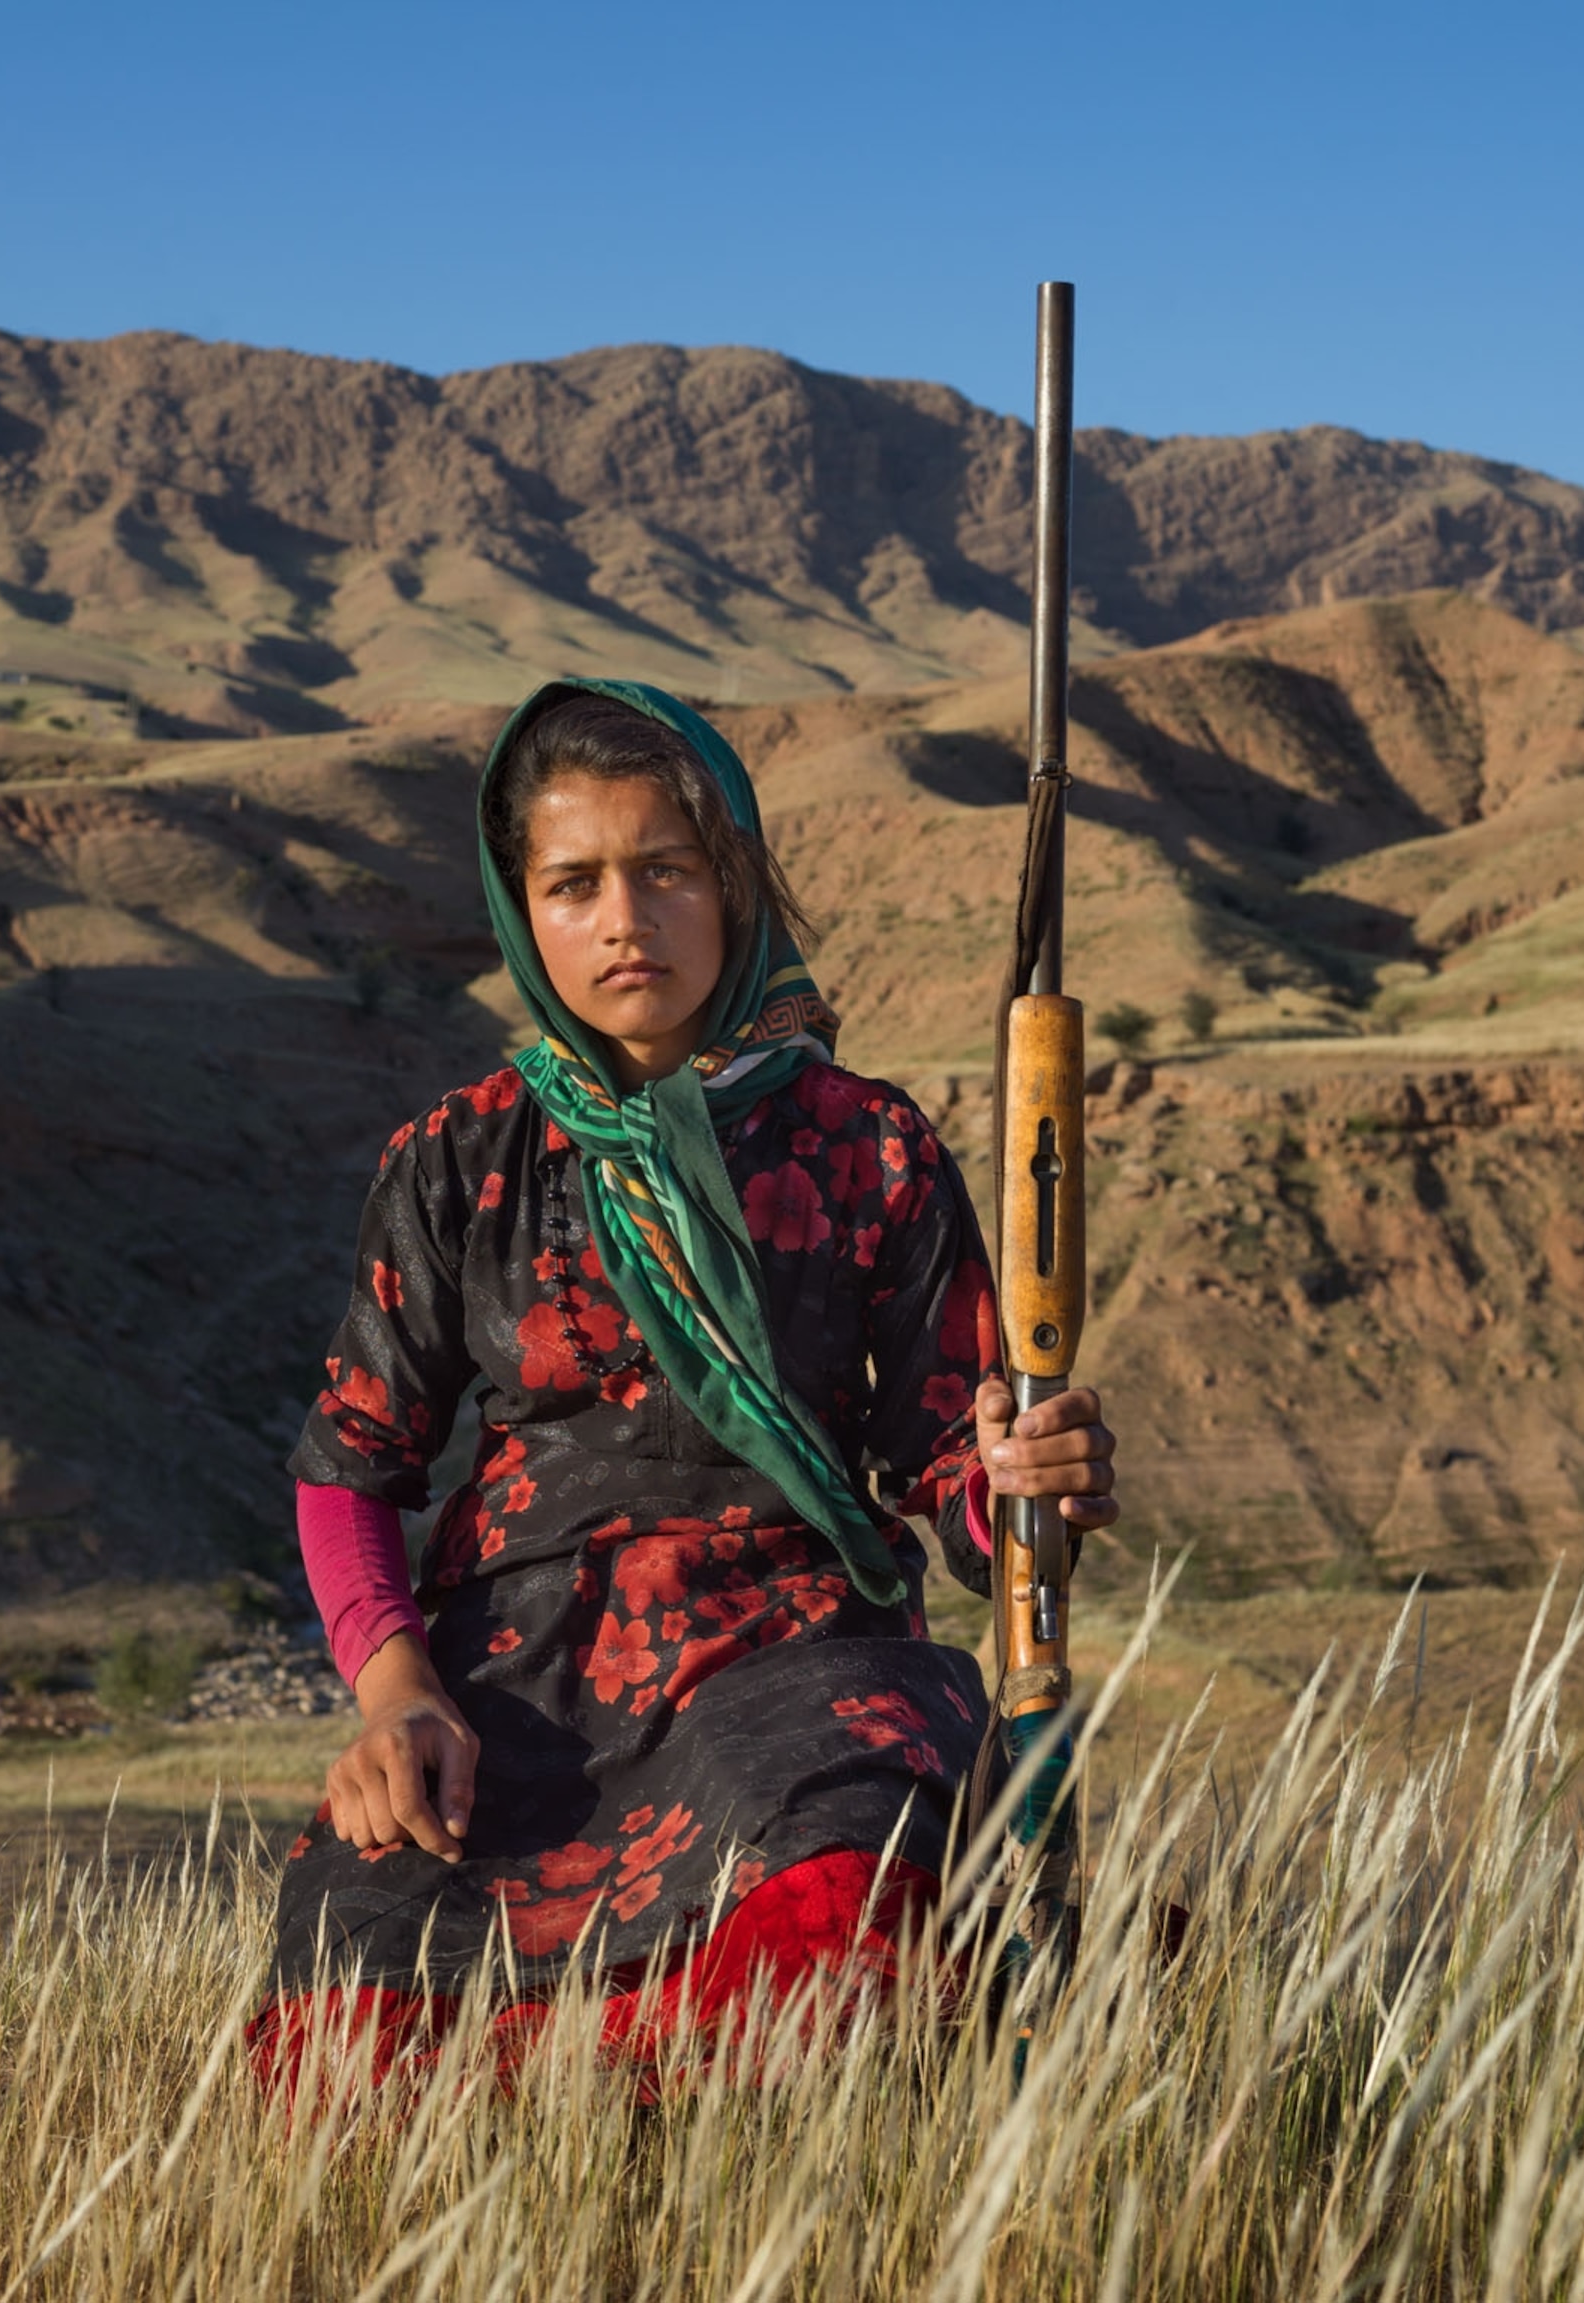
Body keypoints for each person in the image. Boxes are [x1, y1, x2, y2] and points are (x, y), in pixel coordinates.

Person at [254, 679, 1116, 2079]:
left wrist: (1020, 1486)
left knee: (837, 1955)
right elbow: (352, 1463)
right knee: (341, 2047)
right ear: (521, 910)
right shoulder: (456, 1162)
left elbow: (952, 1463)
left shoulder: (868, 1147)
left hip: (799, 1652)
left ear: (737, 881)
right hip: (512, 1683)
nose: (623, 919)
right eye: (574, 882)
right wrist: (398, 1696)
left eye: (667, 870)